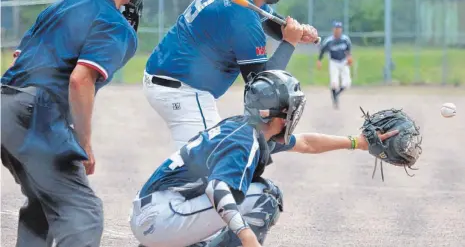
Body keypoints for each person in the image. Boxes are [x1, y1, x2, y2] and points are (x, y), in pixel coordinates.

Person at [0, 0, 155, 247]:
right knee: (84, 214)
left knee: (44, 206)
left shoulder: (62, 6)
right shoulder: (114, 23)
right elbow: (80, 80)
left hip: (6, 105)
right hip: (36, 114)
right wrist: (83, 142)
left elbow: (19, 58)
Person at [129, 70, 398, 247]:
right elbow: (218, 189)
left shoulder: (248, 129)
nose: (295, 114)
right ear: (277, 116)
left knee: (250, 193)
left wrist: (356, 143)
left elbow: (306, 143)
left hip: (158, 213)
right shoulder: (244, 141)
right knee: (265, 196)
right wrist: (248, 239)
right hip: (161, 218)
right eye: (291, 109)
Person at [143, 0, 320, 150]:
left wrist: (292, 31)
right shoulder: (243, 21)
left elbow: (264, 17)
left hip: (170, 79)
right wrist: (289, 42)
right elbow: (261, 87)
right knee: (210, 159)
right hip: (183, 92)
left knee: (208, 161)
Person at [317, 21, 353, 109]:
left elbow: (348, 50)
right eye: (336, 28)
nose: (337, 30)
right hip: (334, 62)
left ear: (341, 29)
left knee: (347, 83)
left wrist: (349, 57)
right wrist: (319, 60)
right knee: (334, 83)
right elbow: (322, 51)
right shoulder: (329, 41)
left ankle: (336, 94)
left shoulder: (345, 39)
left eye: (339, 28)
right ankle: (335, 100)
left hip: (344, 62)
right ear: (333, 29)